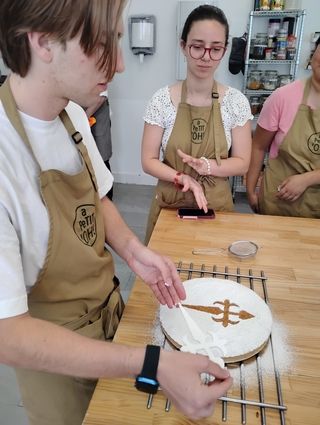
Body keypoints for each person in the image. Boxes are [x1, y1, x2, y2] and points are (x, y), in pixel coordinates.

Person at [0, 1, 232, 425]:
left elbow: (98, 199)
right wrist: (149, 363)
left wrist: (133, 250)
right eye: (104, 43)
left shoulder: (70, 115)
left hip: (111, 320)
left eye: (119, 41)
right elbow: (8, 334)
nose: (121, 64)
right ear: (43, 41)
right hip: (55, 360)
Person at [141, 5, 252, 242]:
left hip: (216, 205)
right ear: (183, 46)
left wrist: (207, 166)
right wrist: (184, 178)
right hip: (170, 204)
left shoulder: (235, 102)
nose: (205, 57)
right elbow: (148, 161)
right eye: (197, 47)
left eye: (215, 49)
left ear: (224, 51)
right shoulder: (162, 100)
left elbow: (243, 163)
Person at [246, 37, 320, 217]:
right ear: (314, 54)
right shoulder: (283, 97)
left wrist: (307, 179)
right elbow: (258, 146)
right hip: (277, 202)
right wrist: (250, 191)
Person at [85, 92, 114, 200]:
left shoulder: (100, 76)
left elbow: (101, 96)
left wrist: (83, 117)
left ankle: (107, 201)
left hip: (97, 111)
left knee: (102, 159)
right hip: (77, 110)